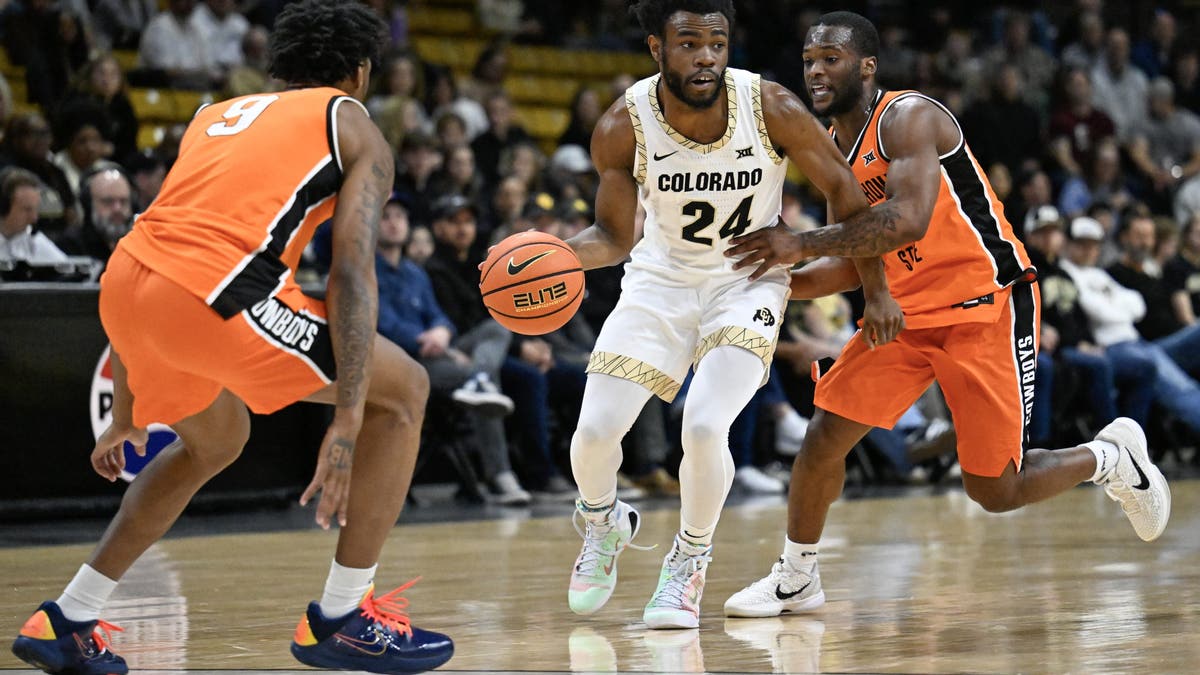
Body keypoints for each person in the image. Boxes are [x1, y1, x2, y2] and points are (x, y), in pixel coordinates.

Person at [9, 3, 454, 674]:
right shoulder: (354, 124)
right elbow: (352, 275)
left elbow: (161, 242)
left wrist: (126, 418)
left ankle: (67, 616)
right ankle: (342, 616)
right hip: (213, 294)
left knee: (216, 438)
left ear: (282, 66)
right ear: (360, 73)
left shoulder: (214, 114)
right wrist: (350, 416)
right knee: (407, 389)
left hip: (126, 283)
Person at [722, 11, 1171, 620]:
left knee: (994, 489)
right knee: (824, 438)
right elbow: (856, 257)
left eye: (831, 58)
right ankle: (796, 577)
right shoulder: (832, 147)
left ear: (867, 66)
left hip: (985, 306)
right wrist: (767, 284)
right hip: (905, 317)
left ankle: (1110, 458)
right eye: (808, 60)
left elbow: (903, 220)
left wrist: (798, 244)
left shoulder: (911, 119)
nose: (816, 70)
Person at [562, 0, 902, 630]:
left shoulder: (769, 105)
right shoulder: (622, 124)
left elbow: (847, 194)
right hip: (659, 283)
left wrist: (874, 290)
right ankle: (605, 522)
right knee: (593, 436)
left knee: (703, 426)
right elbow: (612, 237)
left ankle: (688, 564)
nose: (706, 57)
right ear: (657, 49)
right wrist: (555, 256)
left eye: (717, 43)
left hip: (746, 282)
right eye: (689, 44)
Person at [0, 167, 67, 264]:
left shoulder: (33, 240)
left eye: (35, 209)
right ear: (3, 207)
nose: (34, 218)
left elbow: (66, 268)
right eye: (27, 210)